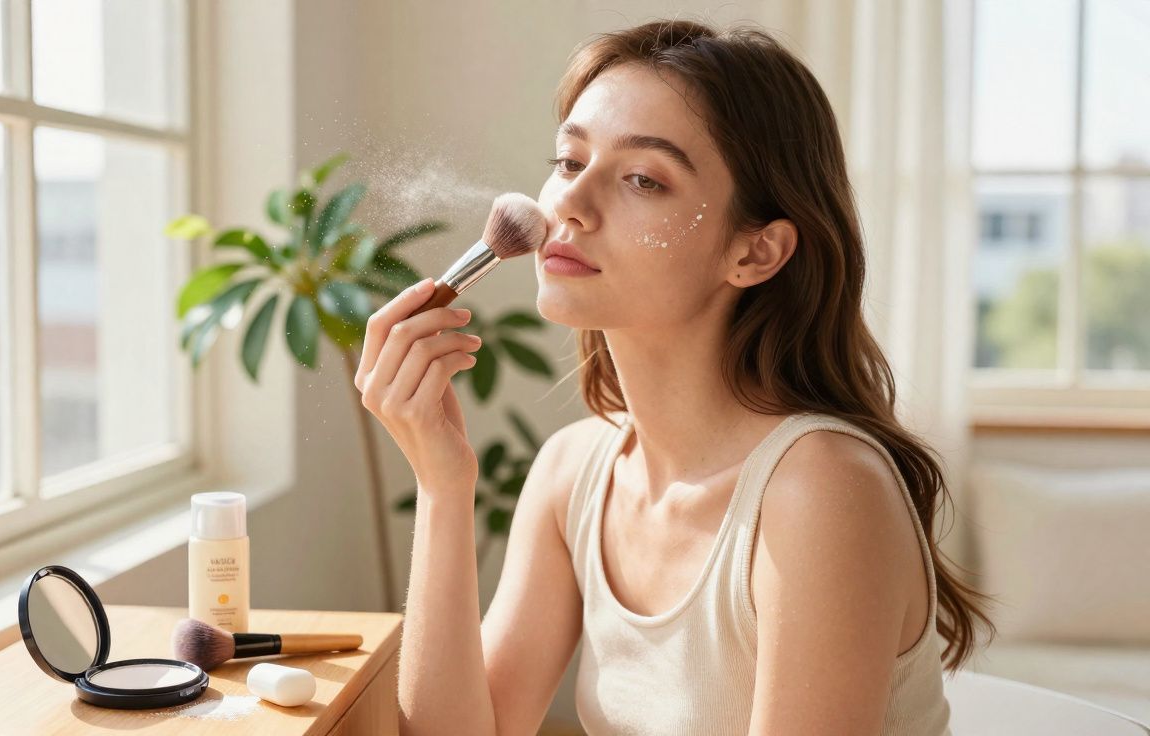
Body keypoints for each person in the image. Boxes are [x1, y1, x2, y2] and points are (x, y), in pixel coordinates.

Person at [355, 19, 994, 736]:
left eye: (642, 179)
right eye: (569, 162)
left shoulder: (820, 491)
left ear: (756, 254)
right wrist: (443, 484)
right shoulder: (575, 470)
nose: (568, 204)